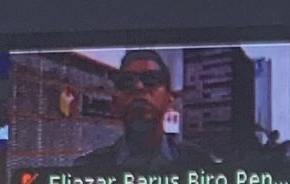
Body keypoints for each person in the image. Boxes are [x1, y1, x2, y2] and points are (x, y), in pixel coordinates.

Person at [72, 48, 217, 170]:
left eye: (151, 79)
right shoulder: (87, 168)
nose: (138, 87)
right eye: (127, 81)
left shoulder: (200, 164)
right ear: (115, 102)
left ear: (169, 99)